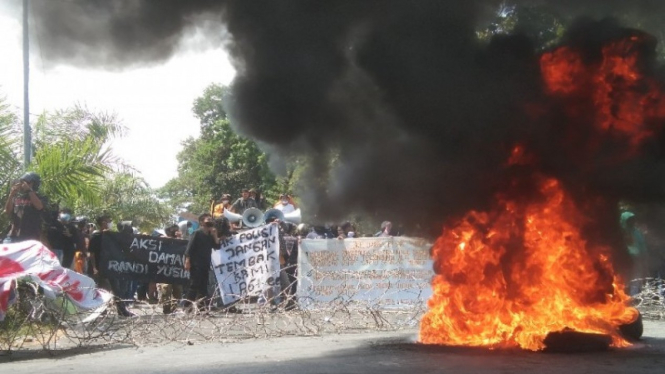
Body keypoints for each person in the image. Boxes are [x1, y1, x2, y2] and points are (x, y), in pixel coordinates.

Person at [88, 214, 136, 317]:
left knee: (117, 290)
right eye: (108, 221)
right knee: (103, 290)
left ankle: (122, 311)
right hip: (100, 267)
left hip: (112, 267)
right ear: (103, 223)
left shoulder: (112, 236)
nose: (110, 222)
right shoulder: (96, 237)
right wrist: (94, 267)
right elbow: (91, 254)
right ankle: (101, 311)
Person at [183, 213, 220, 313]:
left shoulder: (210, 235)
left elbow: (217, 247)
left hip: (205, 263)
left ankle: (202, 309)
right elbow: (189, 248)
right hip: (196, 263)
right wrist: (187, 261)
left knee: (203, 288)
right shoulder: (197, 233)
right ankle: (187, 307)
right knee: (194, 285)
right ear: (202, 222)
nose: (209, 220)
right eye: (207, 219)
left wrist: (215, 235)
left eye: (210, 218)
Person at [3, 172, 46, 243]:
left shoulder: (41, 197)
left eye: (26, 182)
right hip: (13, 236)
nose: (23, 185)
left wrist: (29, 190)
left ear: (34, 183)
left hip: (30, 237)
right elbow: (7, 211)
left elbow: (39, 207)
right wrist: (11, 195)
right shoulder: (16, 197)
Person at [621, 211, 649, 295]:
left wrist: (644, 256)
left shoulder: (636, 232)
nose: (631, 222)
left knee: (637, 278)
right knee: (625, 279)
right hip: (625, 260)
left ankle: (636, 296)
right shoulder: (621, 233)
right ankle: (625, 296)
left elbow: (642, 244)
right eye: (629, 220)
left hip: (637, 259)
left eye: (632, 220)